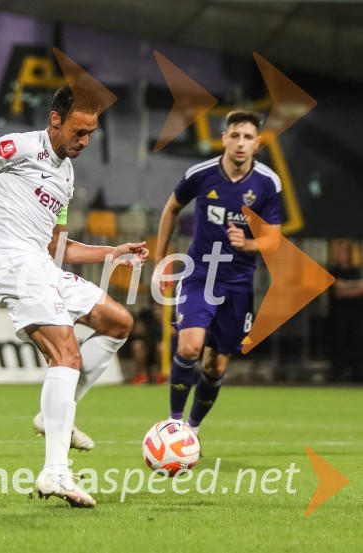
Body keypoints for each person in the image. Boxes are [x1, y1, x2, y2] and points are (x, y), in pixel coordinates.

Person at [0, 84, 148, 508]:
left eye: (92, 133)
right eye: (79, 131)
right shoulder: (20, 147)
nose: (85, 141)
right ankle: (55, 472)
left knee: (119, 323)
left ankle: (54, 414)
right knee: (67, 355)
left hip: (41, 263)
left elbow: (59, 246)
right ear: (56, 120)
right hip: (12, 264)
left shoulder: (67, 176)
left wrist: (112, 253)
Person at [153, 109, 282, 435]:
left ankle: (192, 430)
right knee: (189, 347)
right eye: (235, 135)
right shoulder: (201, 173)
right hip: (199, 276)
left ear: (258, 143)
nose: (241, 143)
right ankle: (173, 423)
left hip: (238, 284)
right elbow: (171, 208)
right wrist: (160, 259)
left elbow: (274, 237)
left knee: (216, 365)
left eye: (248, 137)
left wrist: (249, 244)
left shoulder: (267, 183)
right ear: (224, 138)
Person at [326, 240, 363, 382]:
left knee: (356, 343)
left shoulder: (357, 270)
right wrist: (355, 286)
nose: (340, 255)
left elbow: (360, 289)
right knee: (338, 342)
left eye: (343, 252)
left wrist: (345, 285)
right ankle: (337, 373)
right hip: (338, 314)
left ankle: (357, 373)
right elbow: (337, 292)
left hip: (356, 313)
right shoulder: (333, 271)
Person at [129, 301, 166, 385]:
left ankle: (163, 376)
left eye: (159, 306)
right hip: (147, 347)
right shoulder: (145, 315)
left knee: (162, 346)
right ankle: (142, 376)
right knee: (137, 345)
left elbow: (174, 333)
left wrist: (161, 319)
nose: (157, 308)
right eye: (155, 305)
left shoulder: (169, 314)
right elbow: (137, 331)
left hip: (161, 347)